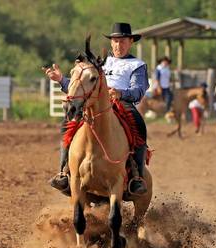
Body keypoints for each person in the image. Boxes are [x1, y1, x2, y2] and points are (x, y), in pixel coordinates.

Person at [43, 22, 149, 195]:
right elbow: (82, 85)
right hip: (93, 101)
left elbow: (138, 90)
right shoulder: (99, 63)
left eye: (122, 41)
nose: (118, 45)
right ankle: (64, 172)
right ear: (111, 42)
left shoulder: (137, 65)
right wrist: (62, 80)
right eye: (115, 41)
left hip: (121, 102)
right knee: (67, 125)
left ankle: (137, 177)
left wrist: (121, 93)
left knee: (139, 125)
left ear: (130, 42)